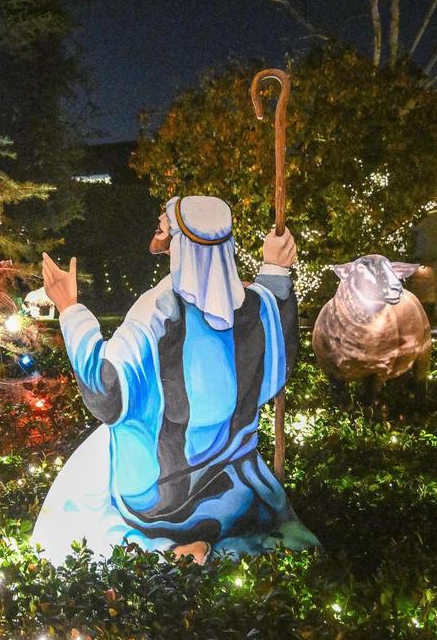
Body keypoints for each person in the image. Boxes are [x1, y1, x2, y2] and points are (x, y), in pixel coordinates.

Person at [32, 195, 319, 564]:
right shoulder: (249, 310)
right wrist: (276, 268)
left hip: (156, 501)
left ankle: (170, 548)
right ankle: (222, 544)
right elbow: (277, 345)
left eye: (165, 230)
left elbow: (106, 391)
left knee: (87, 500)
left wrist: (70, 309)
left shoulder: (158, 311)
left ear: (177, 246)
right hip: (235, 493)